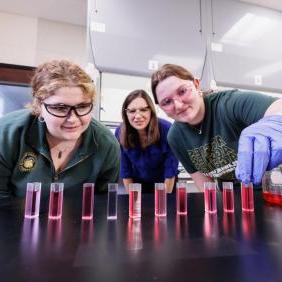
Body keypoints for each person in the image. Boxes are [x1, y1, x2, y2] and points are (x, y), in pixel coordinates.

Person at [151, 64, 282, 190]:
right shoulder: (176, 137)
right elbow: (205, 186)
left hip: (272, 189)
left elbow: (277, 107)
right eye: (167, 102)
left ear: (196, 84)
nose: (178, 105)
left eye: (182, 91)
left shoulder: (229, 104)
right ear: (161, 107)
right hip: (232, 196)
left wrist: (275, 123)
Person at [0, 59, 120, 198]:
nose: (73, 119)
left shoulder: (106, 144)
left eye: (82, 107)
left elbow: (103, 203)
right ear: (39, 106)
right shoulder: (7, 134)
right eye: (60, 108)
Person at [115, 89, 179, 193]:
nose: (138, 116)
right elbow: (125, 171)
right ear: (126, 113)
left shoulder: (168, 130)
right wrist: (134, 201)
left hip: (165, 183)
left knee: (164, 208)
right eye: (132, 111)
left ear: (151, 111)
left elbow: (170, 171)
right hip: (137, 185)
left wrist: (163, 202)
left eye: (143, 110)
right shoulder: (120, 132)